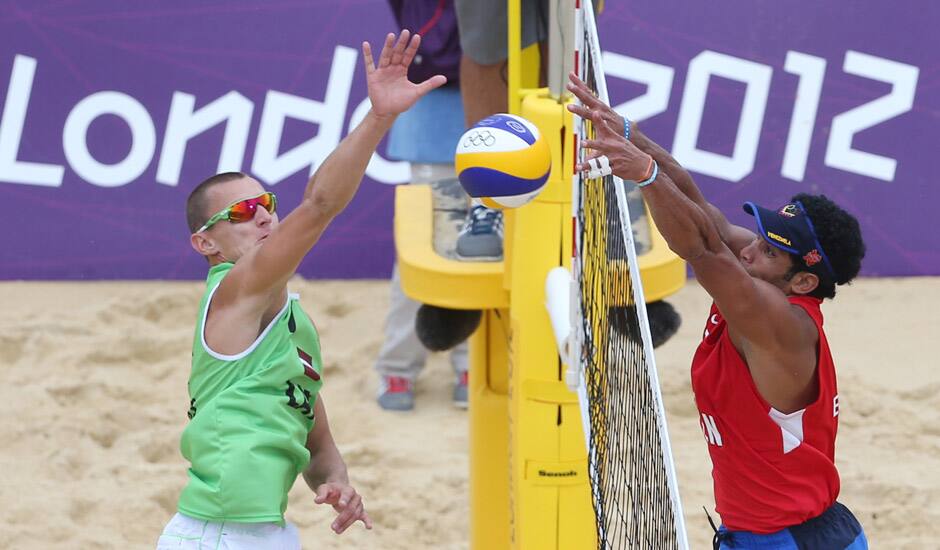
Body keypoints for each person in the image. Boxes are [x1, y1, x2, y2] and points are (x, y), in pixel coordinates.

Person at [156, 30, 446, 549]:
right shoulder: (235, 289)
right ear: (205, 242)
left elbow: (315, 437)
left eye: (265, 202)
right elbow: (318, 205)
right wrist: (379, 117)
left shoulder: (295, 323)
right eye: (243, 212)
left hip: (268, 531)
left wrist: (338, 482)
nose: (264, 215)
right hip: (216, 534)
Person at [567, 72, 869, 549]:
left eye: (771, 251)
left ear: (804, 281)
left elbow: (704, 250)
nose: (750, 250)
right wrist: (626, 132)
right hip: (796, 529)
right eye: (761, 238)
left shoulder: (774, 319)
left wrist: (645, 174)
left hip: (788, 541)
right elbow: (697, 204)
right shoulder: (764, 279)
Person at [376, 0, 470, 411]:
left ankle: (472, 365)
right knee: (421, 248)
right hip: (434, 103)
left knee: (487, 251)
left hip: (506, 111)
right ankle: (399, 367)